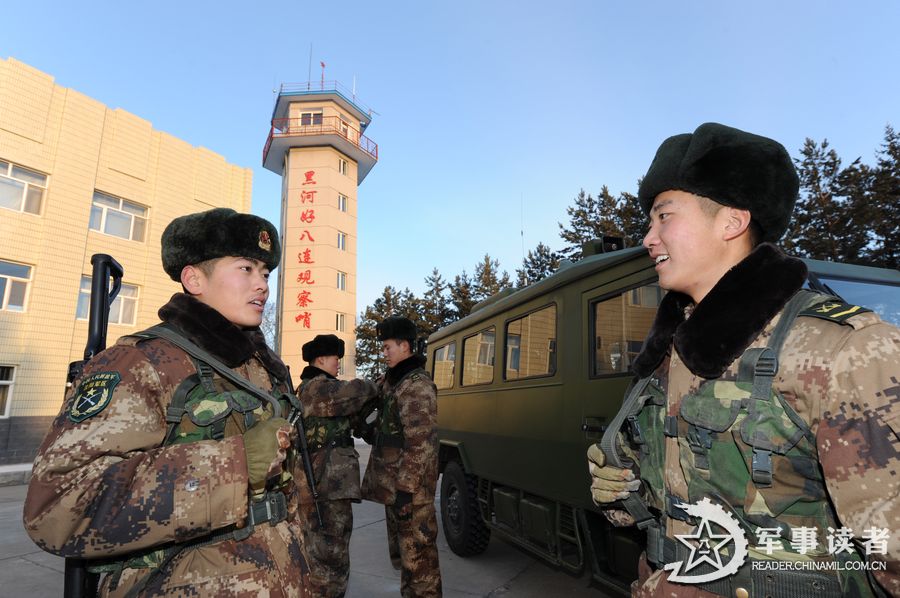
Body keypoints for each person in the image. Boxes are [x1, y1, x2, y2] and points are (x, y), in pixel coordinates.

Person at [587, 123, 900, 598]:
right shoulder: (674, 352)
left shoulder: (838, 348)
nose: (648, 238)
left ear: (731, 222)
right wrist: (622, 491)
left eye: (664, 216)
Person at [24, 208, 310, 597]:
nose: (262, 285)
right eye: (246, 269)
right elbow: (57, 504)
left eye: (265, 273)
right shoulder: (140, 362)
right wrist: (236, 465)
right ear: (194, 278)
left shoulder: (259, 366)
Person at [361, 316, 442, 597]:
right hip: (396, 488)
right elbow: (392, 430)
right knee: (407, 561)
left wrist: (406, 491)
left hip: (411, 493)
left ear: (405, 345)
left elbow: (421, 444)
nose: (384, 352)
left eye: (387, 346)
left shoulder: (416, 386)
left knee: (420, 564)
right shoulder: (395, 383)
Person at [295, 333, 378, 597]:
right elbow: (357, 391)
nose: (338, 365)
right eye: (335, 359)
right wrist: (378, 385)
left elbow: (360, 422)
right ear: (321, 359)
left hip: (329, 486)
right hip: (324, 486)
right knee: (329, 557)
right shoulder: (317, 388)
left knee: (330, 552)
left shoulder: (326, 394)